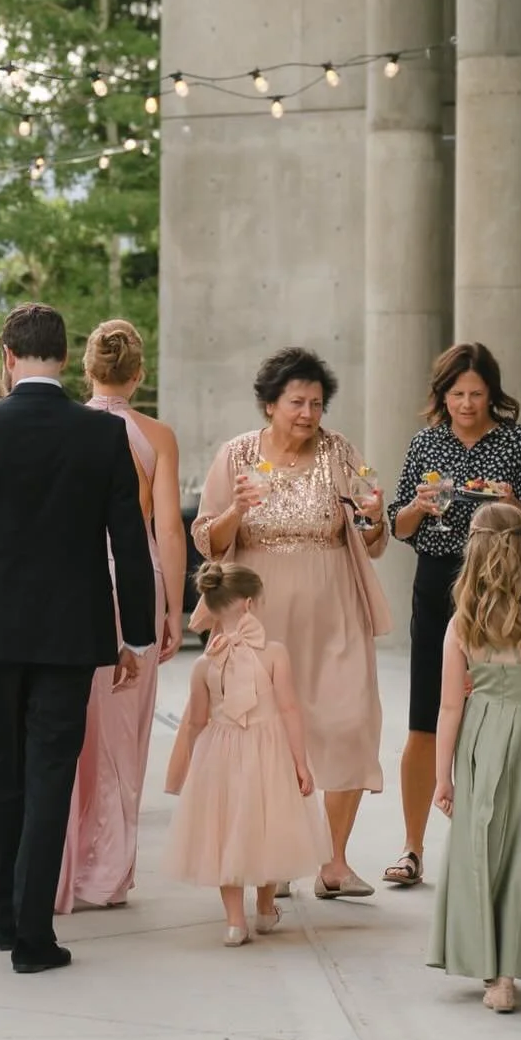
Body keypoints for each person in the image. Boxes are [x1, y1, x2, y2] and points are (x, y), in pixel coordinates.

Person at [0, 303, 156, 974]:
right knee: (51, 767)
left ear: (7, 355)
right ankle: (32, 931)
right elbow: (130, 544)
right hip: (69, 626)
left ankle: (3, 913)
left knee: (4, 762)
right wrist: (136, 636)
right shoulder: (99, 435)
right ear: (63, 354)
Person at [193, 347, 390, 900]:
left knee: (350, 720)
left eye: (317, 403)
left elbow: (373, 536)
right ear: (269, 404)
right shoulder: (236, 456)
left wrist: (376, 519)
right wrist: (237, 509)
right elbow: (207, 537)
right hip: (261, 611)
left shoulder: (343, 451)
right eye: (297, 402)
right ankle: (273, 859)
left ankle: (334, 862)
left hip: (335, 605)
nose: (308, 413)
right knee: (266, 733)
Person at [383, 343, 521, 890]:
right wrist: (418, 506)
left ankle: (502, 847)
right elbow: (400, 527)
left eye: (476, 394)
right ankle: (412, 847)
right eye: (456, 393)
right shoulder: (426, 443)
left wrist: (512, 503)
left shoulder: (518, 442)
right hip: (437, 582)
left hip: (503, 585)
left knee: (501, 711)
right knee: (426, 715)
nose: (466, 403)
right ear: (442, 395)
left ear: (492, 394)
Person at [57, 319, 188, 913]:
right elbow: (165, 527)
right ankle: (106, 874)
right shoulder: (156, 434)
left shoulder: (69, 428)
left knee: (72, 725)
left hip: (79, 578)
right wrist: (174, 608)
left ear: (87, 371)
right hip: (138, 578)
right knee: (123, 733)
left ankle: (63, 864)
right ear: (139, 375)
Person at [430, 503, 521, 1014]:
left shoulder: (462, 625)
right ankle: (510, 971)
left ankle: (491, 972)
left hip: (479, 742)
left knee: (481, 849)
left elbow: (449, 707)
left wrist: (442, 778)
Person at [163, 562, 329, 944]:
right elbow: (289, 709)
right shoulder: (274, 654)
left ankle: (235, 922)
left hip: (220, 754)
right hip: (268, 751)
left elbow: (195, 722)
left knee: (226, 835)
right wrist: (300, 762)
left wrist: (195, 765)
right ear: (250, 604)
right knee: (269, 828)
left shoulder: (204, 664)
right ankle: (266, 909)